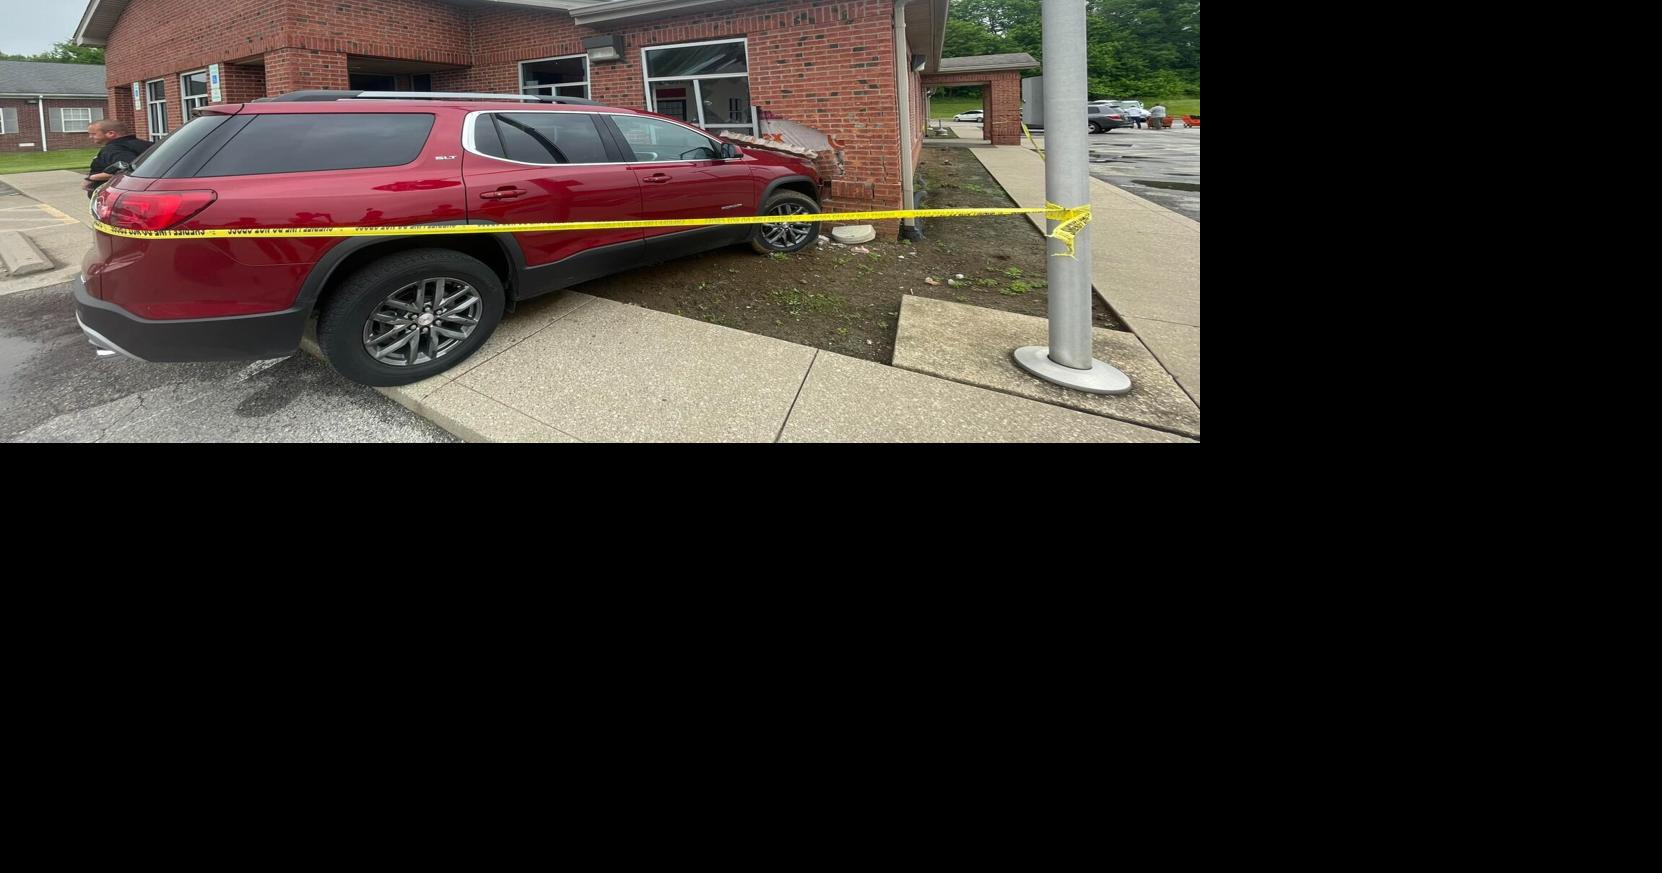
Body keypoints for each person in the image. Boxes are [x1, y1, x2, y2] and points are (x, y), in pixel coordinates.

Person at [83, 120, 153, 197]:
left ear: (111, 134)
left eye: (93, 134)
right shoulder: (146, 144)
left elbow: (130, 169)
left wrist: (93, 177)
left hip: (117, 195)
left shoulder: (113, 149)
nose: (90, 137)